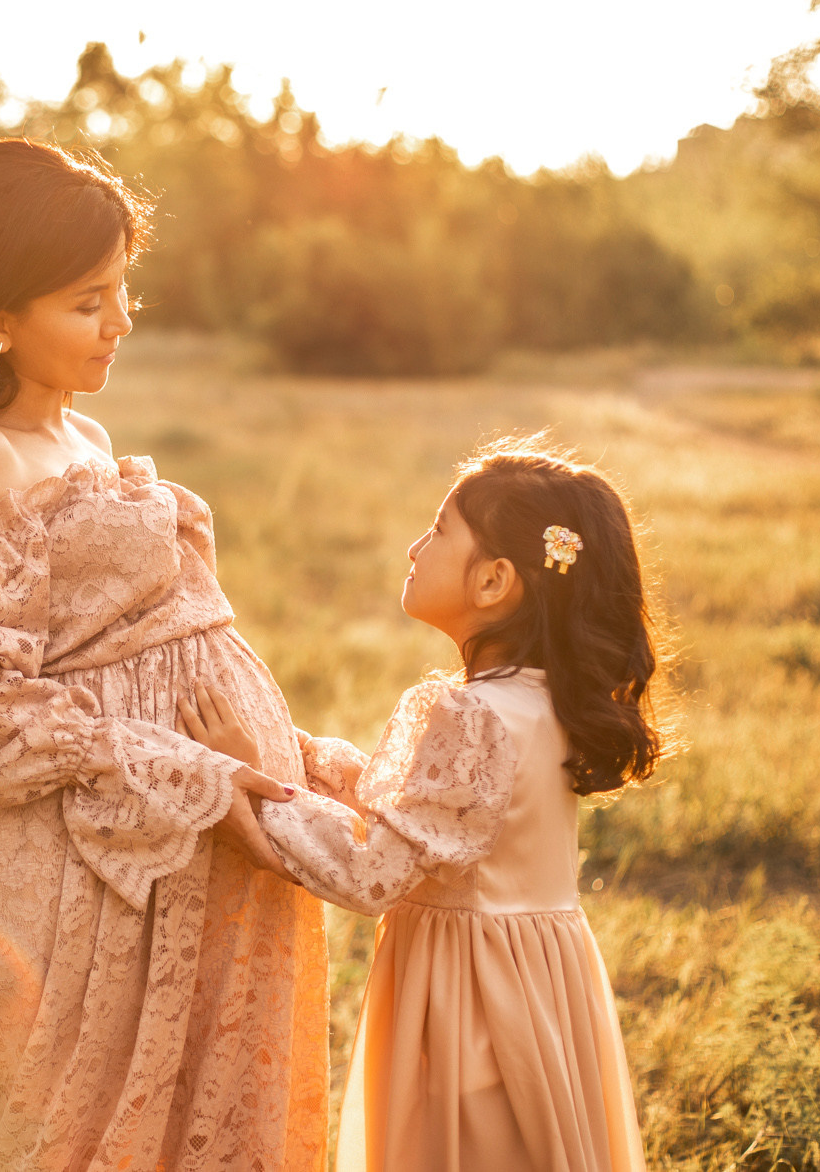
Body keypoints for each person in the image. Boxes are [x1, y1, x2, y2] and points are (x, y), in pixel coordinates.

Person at [0, 138, 328, 1171]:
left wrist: (260, 750)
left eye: (121, 290)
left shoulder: (85, 438)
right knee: (60, 1126)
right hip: (66, 861)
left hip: (168, 845)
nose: (119, 320)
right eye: (86, 300)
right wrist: (175, 765)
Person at [178, 439, 668, 1171]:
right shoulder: (548, 700)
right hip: (542, 987)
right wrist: (299, 756)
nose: (415, 545)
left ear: (495, 580)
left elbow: (372, 871)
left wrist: (261, 788)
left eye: (438, 530)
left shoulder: (469, 715)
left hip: (468, 1002)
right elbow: (425, 820)